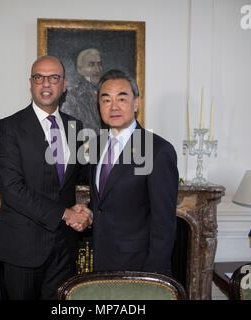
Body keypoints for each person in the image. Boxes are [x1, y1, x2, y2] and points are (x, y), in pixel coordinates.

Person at [0, 55, 92, 300]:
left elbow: (81, 175)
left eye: (54, 78)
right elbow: (13, 190)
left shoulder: (74, 127)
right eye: (39, 77)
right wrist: (66, 214)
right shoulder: (9, 128)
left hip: (65, 248)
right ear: (30, 83)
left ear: (64, 84)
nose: (46, 84)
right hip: (23, 248)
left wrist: (88, 210)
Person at [88, 69, 179, 276]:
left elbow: (164, 223)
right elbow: (104, 202)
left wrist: (152, 278)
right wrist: (86, 212)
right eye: (106, 100)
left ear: (136, 103)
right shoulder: (96, 146)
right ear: (99, 106)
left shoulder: (157, 150)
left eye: (122, 98)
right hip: (102, 262)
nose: (114, 107)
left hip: (140, 268)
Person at [61, 48, 103, 134]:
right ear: (79, 70)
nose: (97, 69)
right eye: (91, 65)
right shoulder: (72, 96)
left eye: (99, 64)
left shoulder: (107, 92)